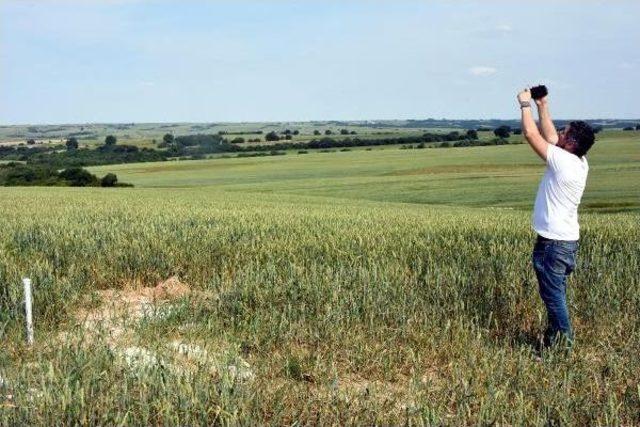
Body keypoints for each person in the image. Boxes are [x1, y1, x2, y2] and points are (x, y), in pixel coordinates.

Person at [516, 87, 596, 349]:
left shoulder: (563, 162)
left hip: (554, 245)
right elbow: (551, 136)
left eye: (565, 132)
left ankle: (563, 346)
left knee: (553, 297)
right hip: (562, 242)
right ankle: (554, 340)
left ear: (571, 143)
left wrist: (525, 105)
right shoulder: (579, 161)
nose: (559, 133)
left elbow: (532, 134)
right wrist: (543, 104)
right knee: (555, 294)